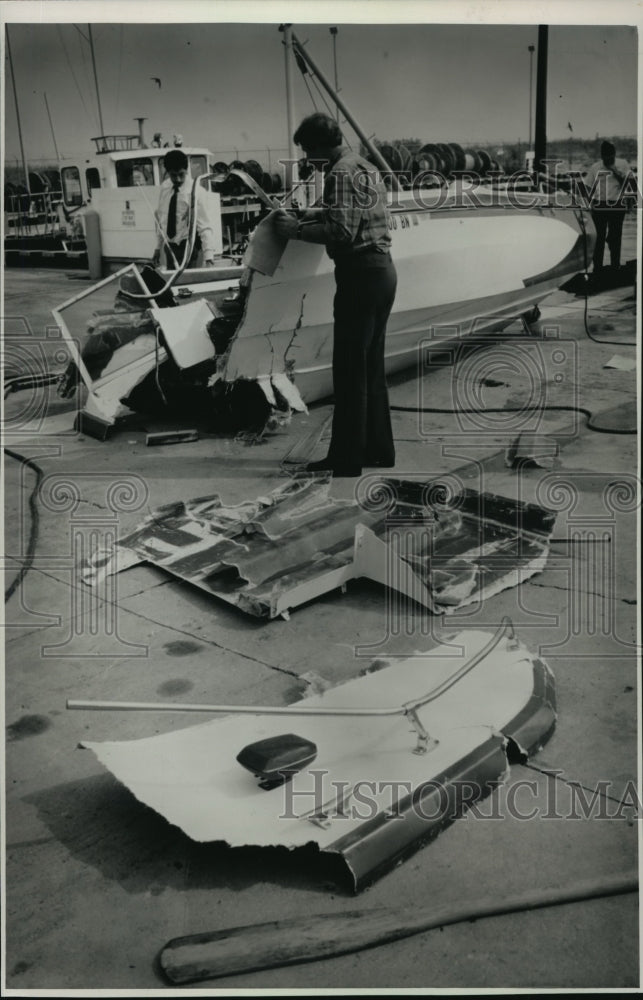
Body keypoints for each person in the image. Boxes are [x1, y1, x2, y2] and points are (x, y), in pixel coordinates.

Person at [274, 113, 397, 478]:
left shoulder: (339, 173)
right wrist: (311, 213)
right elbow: (354, 214)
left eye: (307, 153)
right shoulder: (364, 166)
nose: (307, 161)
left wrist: (295, 229)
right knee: (371, 368)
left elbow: (342, 232)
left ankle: (345, 460)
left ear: (316, 147)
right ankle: (379, 450)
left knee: (348, 371)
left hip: (359, 277)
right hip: (382, 273)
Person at [152, 148, 216, 268]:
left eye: (181, 174)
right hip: (170, 248)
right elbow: (162, 221)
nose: (178, 179)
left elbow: (205, 226)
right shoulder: (165, 188)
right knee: (173, 284)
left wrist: (209, 257)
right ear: (167, 172)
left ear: (186, 170)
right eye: (173, 175)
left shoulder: (197, 191)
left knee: (190, 284)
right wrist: (157, 248)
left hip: (191, 248)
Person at [582, 141, 634, 272]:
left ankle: (615, 266)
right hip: (600, 205)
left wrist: (614, 170)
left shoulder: (622, 164)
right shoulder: (595, 167)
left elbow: (629, 183)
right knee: (598, 238)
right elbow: (588, 187)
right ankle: (597, 267)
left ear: (614, 155)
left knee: (615, 238)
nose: (607, 160)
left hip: (617, 204)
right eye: (605, 157)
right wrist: (589, 205)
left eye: (610, 157)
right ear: (602, 156)